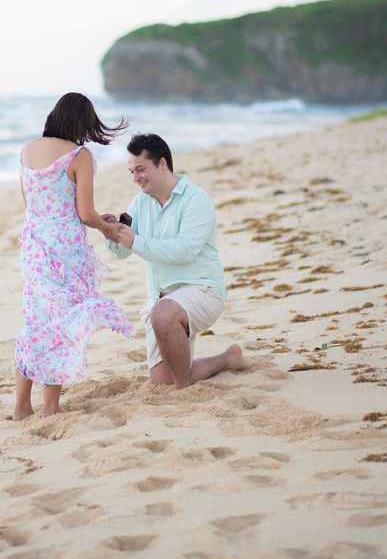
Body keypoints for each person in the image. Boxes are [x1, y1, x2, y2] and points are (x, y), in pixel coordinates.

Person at [13, 92, 132, 421]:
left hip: (34, 248)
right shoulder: (78, 156)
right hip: (66, 252)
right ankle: (50, 407)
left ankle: (22, 407)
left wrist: (96, 220)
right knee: (62, 323)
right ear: (80, 123)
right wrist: (106, 228)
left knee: (35, 323)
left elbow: (33, 207)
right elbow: (84, 213)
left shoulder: (27, 150)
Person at [104, 133, 246, 389]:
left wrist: (136, 242)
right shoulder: (139, 203)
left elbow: (185, 250)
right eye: (131, 172)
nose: (135, 178)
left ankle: (184, 392)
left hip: (202, 290)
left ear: (161, 163)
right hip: (162, 299)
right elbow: (121, 252)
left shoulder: (196, 199)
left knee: (164, 312)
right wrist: (110, 232)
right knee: (162, 381)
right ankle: (227, 359)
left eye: (140, 169)